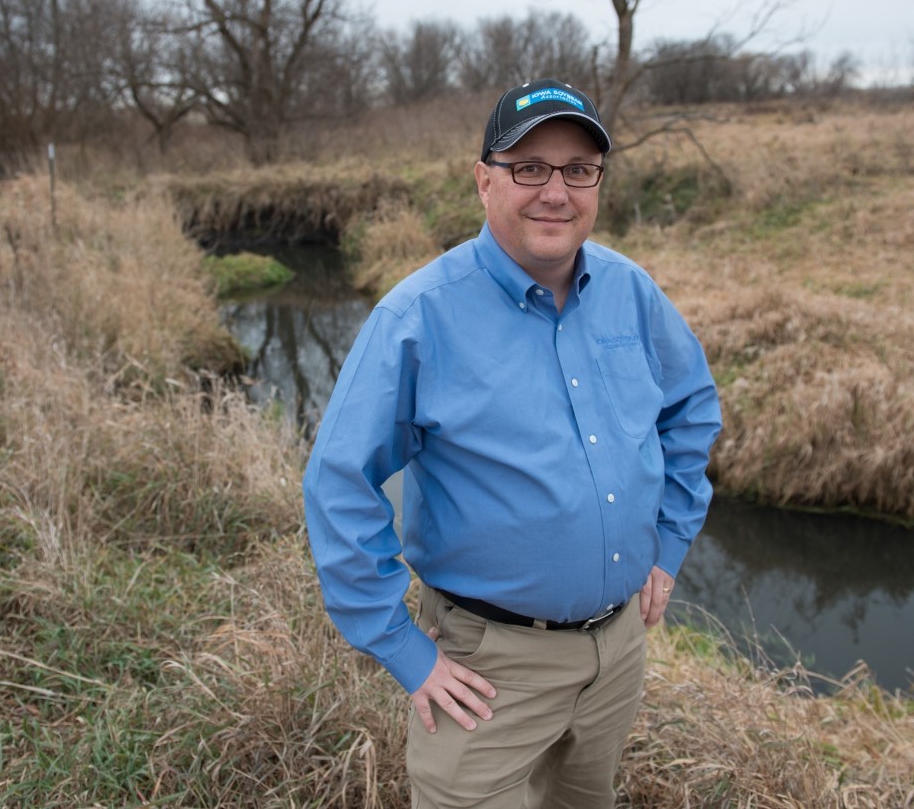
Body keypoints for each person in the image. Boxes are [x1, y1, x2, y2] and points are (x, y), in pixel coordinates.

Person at [303, 78, 722, 808]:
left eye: (578, 170)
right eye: (529, 168)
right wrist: (403, 648)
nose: (555, 192)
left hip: (618, 652)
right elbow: (338, 481)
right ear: (484, 180)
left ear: (597, 183)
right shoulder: (418, 317)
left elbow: (690, 409)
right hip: (484, 672)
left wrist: (669, 540)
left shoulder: (631, 291)